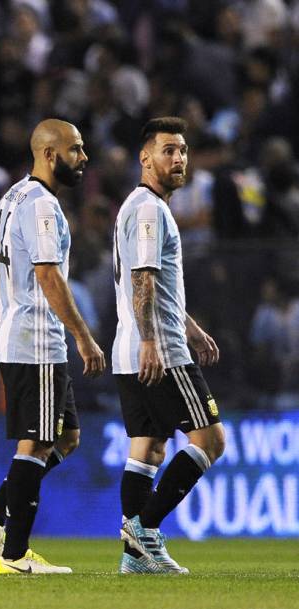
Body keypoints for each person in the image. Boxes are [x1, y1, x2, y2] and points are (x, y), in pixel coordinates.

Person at [0, 119, 105, 575]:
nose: (83, 158)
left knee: (67, 437)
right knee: (38, 442)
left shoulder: (12, 197)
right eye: (76, 149)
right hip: (38, 341)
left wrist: (10, 305)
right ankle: (15, 555)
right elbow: (47, 275)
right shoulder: (43, 206)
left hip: (20, 333)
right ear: (50, 153)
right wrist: (83, 337)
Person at [112, 117, 225, 574]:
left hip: (132, 348)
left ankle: (135, 559)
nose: (177, 159)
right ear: (145, 158)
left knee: (148, 448)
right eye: (167, 150)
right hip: (159, 351)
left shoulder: (141, 206)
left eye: (182, 150)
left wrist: (191, 327)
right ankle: (143, 529)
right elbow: (143, 278)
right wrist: (153, 340)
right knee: (211, 440)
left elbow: (157, 287)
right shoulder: (148, 210)